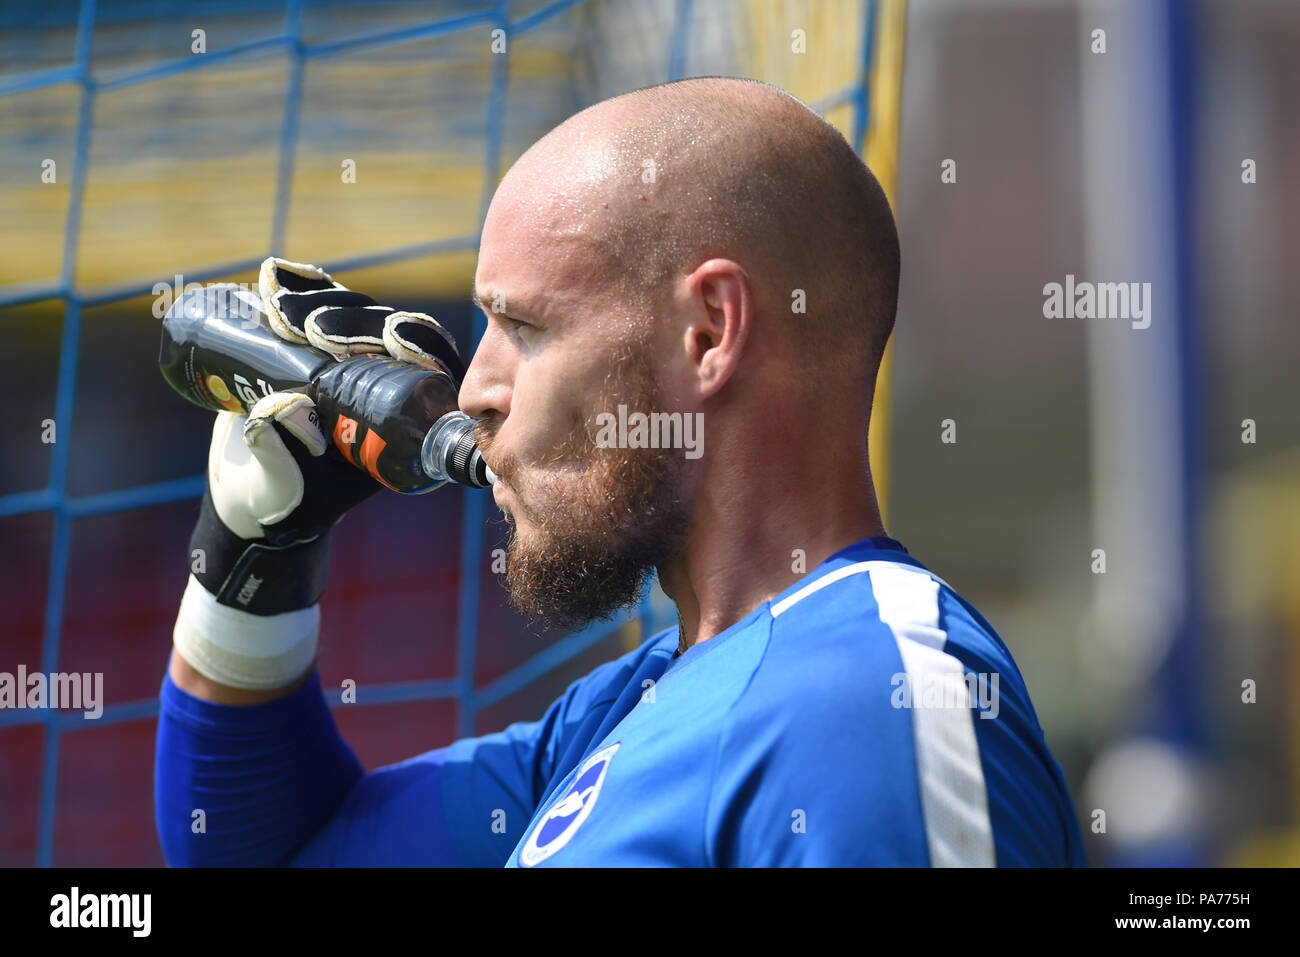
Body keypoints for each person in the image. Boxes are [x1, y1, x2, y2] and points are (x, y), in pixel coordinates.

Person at [155, 76, 1087, 867]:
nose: (473, 388)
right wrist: (254, 555)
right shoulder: (623, 706)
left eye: (522, 327)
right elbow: (269, 851)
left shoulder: (873, 700)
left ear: (709, 333)